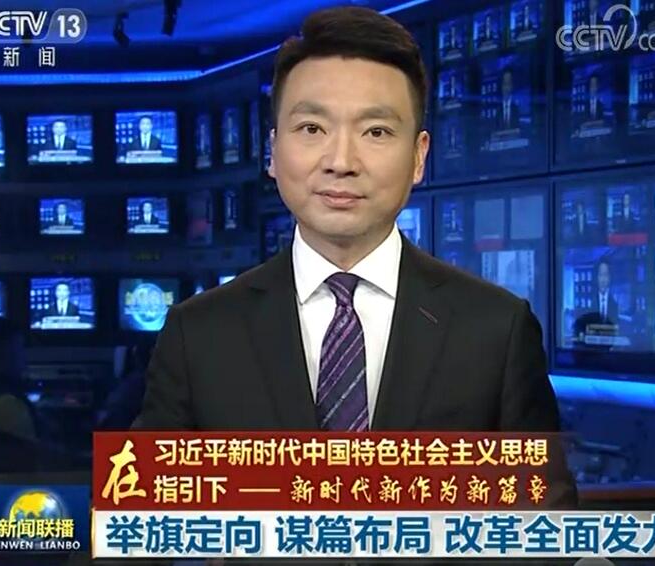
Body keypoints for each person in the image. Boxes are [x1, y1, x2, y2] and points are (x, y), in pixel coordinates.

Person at [135, 6, 575, 507]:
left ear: (419, 157)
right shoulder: (199, 334)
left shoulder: (496, 329)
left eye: (376, 132)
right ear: (272, 151)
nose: (341, 162)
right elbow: (142, 521)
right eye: (311, 129)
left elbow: (544, 525)